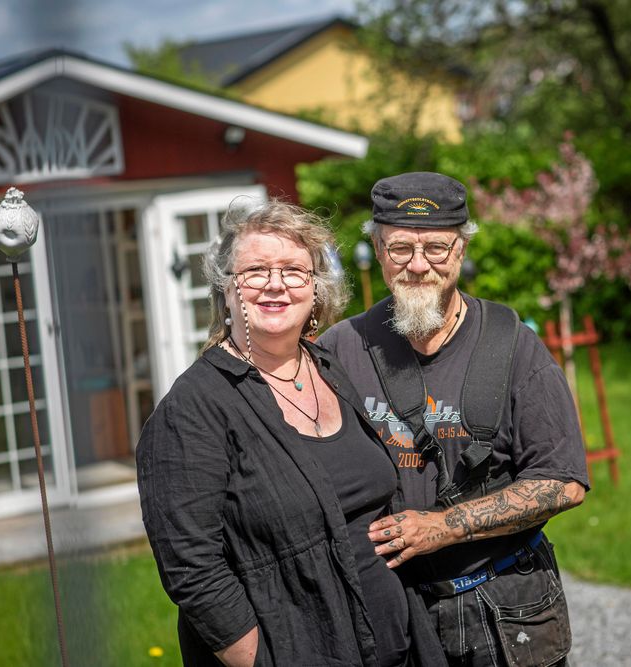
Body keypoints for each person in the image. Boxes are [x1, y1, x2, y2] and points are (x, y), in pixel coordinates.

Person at [136, 199, 445, 667]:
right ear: (225, 288)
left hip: (395, 645)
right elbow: (192, 569)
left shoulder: (329, 369)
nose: (276, 285)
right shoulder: (193, 408)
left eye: (295, 271)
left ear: (315, 290)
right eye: (256, 271)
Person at [319, 172, 590, 667]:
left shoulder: (512, 345)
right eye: (400, 248)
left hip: (508, 604)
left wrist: (445, 527)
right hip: (394, 609)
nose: (418, 265)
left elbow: (563, 481)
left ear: (461, 251)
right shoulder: (340, 350)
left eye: (437, 249)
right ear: (379, 251)